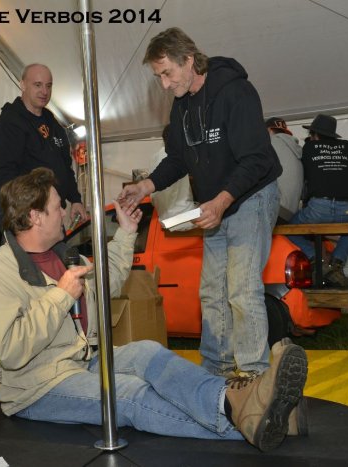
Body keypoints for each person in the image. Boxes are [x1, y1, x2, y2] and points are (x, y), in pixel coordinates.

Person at [0, 168, 308, 452]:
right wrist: (61, 296)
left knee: (148, 353)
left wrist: (127, 233)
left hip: (81, 360)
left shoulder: (62, 256)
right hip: (35, 387)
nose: (66, 212)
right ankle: (250, 423)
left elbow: (106, 285)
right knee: (127, 394)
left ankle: (236, 401)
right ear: (35, 216)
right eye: (57, 207)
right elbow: (10, 350)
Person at [117, 27, 283, 380]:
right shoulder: (182, 106)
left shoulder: (236, 92)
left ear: (189, 60)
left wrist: (222, 201)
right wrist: (144, 186)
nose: (164, 84)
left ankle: (254, 376)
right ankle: (216, 373)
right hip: (215, 205)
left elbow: (256, 159)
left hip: (251, 195)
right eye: (159, 77)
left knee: (242, 289)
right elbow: (178, 159)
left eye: (167, 73)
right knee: (211, 291)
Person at [0, 63, 87, 225]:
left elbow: (65, 167)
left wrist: (75, 199)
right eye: (38, 85)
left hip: (53, 214)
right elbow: (3, 175)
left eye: (48, 86)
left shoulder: (52, 122)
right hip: (26, 215)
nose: (44, 91)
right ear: (22, 85)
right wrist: (28, 208)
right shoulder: (10, 122)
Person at [287, 114, 348, 287]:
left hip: (318, 209)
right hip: (347, 209)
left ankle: (316, 258)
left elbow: (299, 172)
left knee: (288, 230)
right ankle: (337, 262)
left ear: (314, 135)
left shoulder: (309, 148)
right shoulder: (347, 146)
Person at [266, 117, 303, 221]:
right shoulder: (294, 149)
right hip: (290, 212)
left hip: (277, 209)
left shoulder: (270, 143)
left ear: (268, 130)